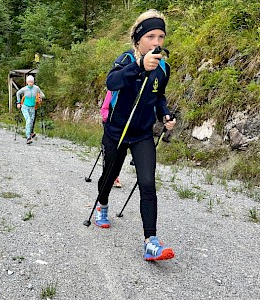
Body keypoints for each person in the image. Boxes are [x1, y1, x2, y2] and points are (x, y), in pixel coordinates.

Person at [94, 9, 176, 261]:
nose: (157, 43)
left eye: (161, 36)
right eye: (151, 36)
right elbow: (112, 82)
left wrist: (165, 114)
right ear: (138, 40)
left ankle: (151, 241)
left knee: (148, 183)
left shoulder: (163, 67)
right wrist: (139, 66)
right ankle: (103, 205)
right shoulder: (126, 59)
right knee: (108, 177)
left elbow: (159, 96)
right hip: (117, 132)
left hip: (142, 134)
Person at [101, 90, 122, 188]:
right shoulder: (113, 89)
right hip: (110, 123)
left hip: (122, 125)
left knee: (120, 152)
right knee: (109, 151)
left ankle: (115, 175)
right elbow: (104, 109)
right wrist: (109, 119)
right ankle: (110, 175)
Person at [16, 75, 45, 144]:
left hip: (32, 107)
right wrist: (18, 102)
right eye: (29, 82)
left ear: (33, 82)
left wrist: (40, 97)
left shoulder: (36, 88)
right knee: (28, 120)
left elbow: (43, 94)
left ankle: (29, 133)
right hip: (25, 107)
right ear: (27, 82)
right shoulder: (25, 89)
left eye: (32, 82)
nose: (30, 83)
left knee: (31, 122)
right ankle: (28, 137)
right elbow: (18, 93)